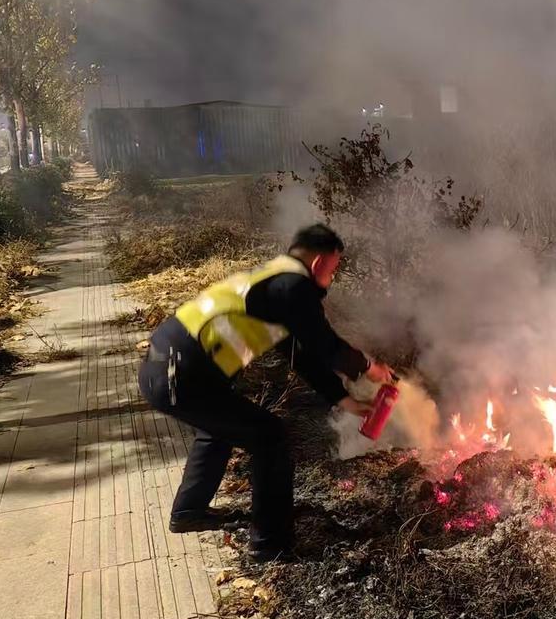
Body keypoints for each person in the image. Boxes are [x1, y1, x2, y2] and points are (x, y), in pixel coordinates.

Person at [137, 223, 392, 562]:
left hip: (167, 370)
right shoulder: (292, 286)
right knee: (270, 437)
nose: (331, 279)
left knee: (220, 428)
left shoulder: (272, 282)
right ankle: (269, 544)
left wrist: (342, 398)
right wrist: (368, 367)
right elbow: (324, 343)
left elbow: (300, 354)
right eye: (333, 269)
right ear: (319, 263)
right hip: (179, 375)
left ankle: (189, 511)